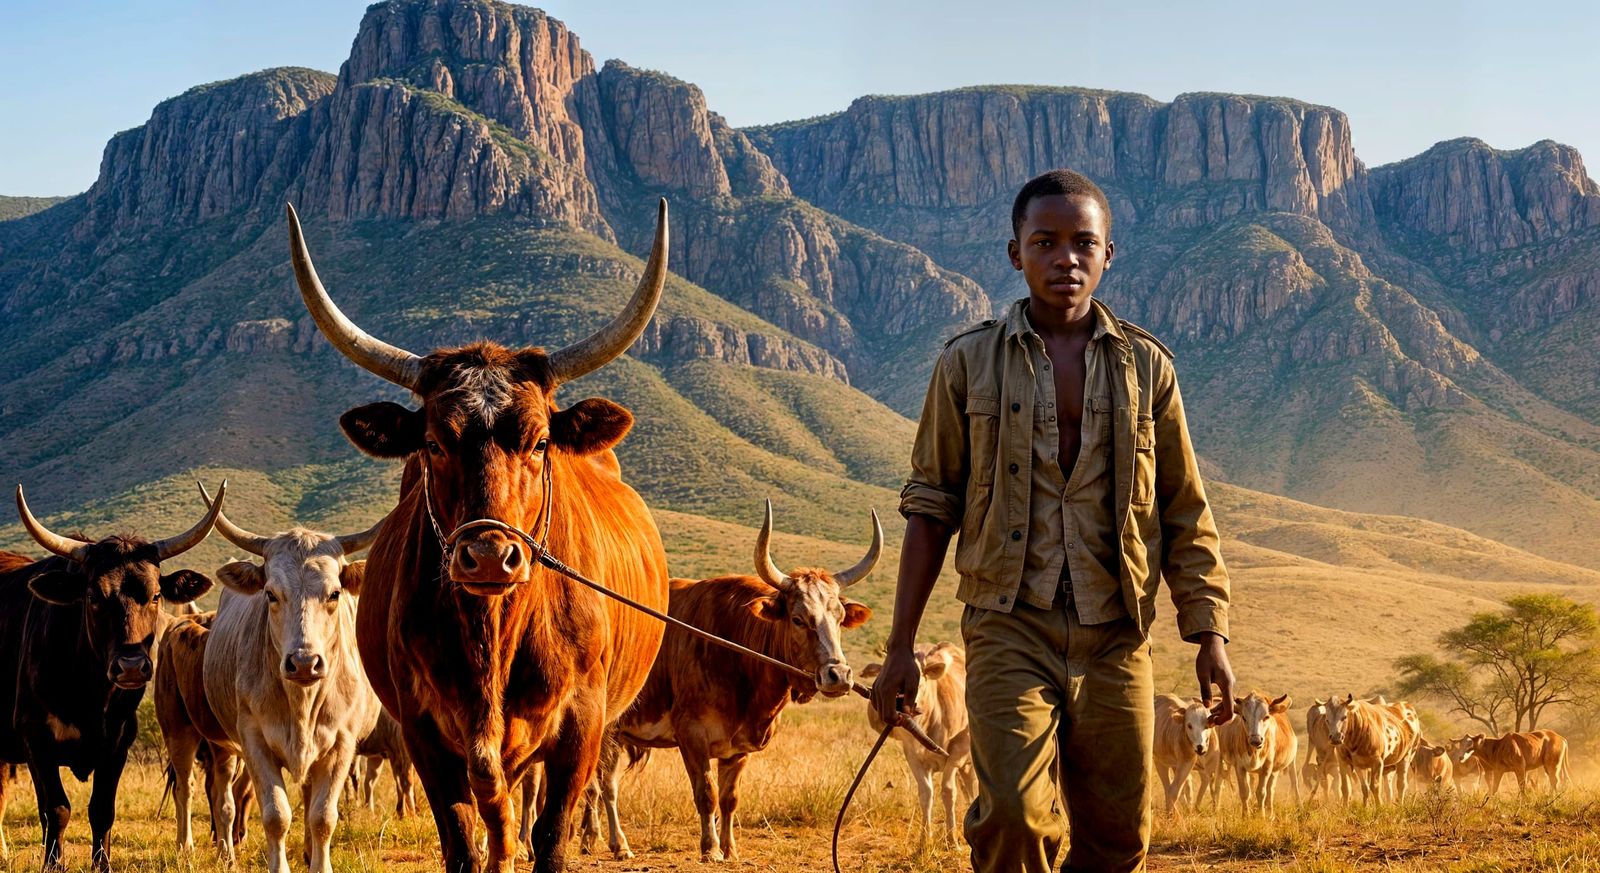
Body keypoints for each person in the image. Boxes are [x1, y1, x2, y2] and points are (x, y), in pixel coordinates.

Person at [870, 169, 1235, 873]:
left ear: (1108, 255)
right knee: (1013, 815)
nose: (1065, 257)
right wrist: (900, 647)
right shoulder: (967, 363)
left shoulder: (1148, 369)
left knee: (1119, 837)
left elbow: (1184, 509)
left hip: (1116, 632)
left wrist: (1209, 633)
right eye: (1045, 242)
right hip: (1009, 626)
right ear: (1016, 253)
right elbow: (930, 506)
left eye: (1082, 243)